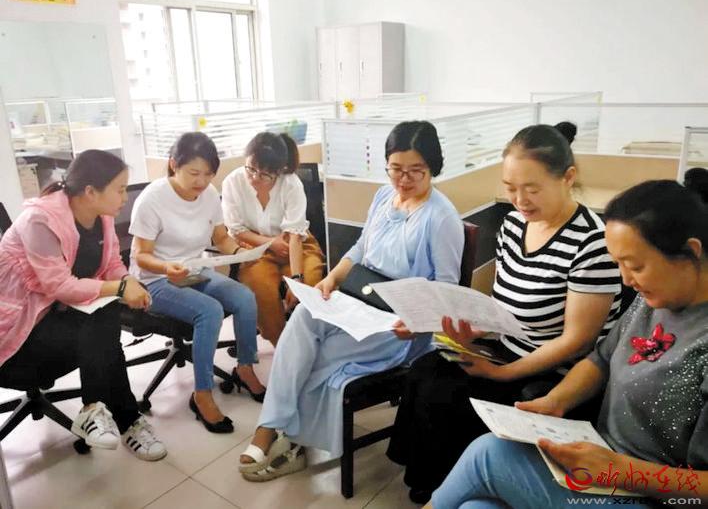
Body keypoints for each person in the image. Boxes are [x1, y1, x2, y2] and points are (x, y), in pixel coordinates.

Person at [430, 178, 708, 509]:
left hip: (657, 495)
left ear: (690, 252)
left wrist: (622, 471)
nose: (625, 279)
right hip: (606, 467)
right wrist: (555, 401)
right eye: (619, 264)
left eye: (635, 266)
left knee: (488, 454)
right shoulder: (653, 300)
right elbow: (601, 360)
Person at [387, 123, 623, 503]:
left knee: (451, 395)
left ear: (567, 178)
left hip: (554, 370)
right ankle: (431, 480)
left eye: (532, 189)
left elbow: (577, 341)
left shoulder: (593, 244)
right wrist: (474, 332)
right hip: (508, 347)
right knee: (426, 370)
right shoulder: (513, 225)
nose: (520, 201)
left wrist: (501, 372)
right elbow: (504, 305)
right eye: (511, 188)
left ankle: (449, 486)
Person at [237, 120, 465, 481]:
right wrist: (331, 279)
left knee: (316, 356)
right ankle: (271, 427)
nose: (403, 180)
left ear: (433, 167)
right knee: (304, 317)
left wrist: (415, 323)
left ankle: (292, 442)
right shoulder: (383, 197)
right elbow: (361, 249)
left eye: (415, 171)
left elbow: (446, 289)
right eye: (395, 169)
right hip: (361, 302)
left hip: (399, 326)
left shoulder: (441, 218)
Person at [0, 150, 166, 461]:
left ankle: (99, 411)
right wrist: (119, 288)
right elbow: (60, 286)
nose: (125, 198)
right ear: (90, 192)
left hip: (55, 318)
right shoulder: (40, 221)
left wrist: (127, 281)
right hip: (18, 334)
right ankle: (122, 419)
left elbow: (111, 264)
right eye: (120, 189)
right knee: (103, 328)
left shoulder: (102, 216)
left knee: (104, 320)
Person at [129, 132, 263, 434]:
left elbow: (221, 238)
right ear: (173, 164)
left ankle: (244, 368)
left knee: (244, 297)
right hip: (154, 279)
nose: (201, 181)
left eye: (208, 174)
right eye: (193, 173)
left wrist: (240, 253)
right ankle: (202, 393)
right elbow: (140, 256)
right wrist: (167, 267)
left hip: (192, 270)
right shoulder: (152, 199)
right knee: (210, 311)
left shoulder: (209, 194)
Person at [221, 132, 325, 346]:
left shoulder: (291, 184)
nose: (254, 178)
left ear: (279, 171)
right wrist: (270, 243)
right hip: (254, 246)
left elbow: (295, 237)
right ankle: (284, 347)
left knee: (310, 287)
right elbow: (236, 229)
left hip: (296, 244)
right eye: (251, 169)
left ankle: (312, 344)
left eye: (264, 174)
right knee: (260, 289)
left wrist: (296, 280)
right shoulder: (233, 182)